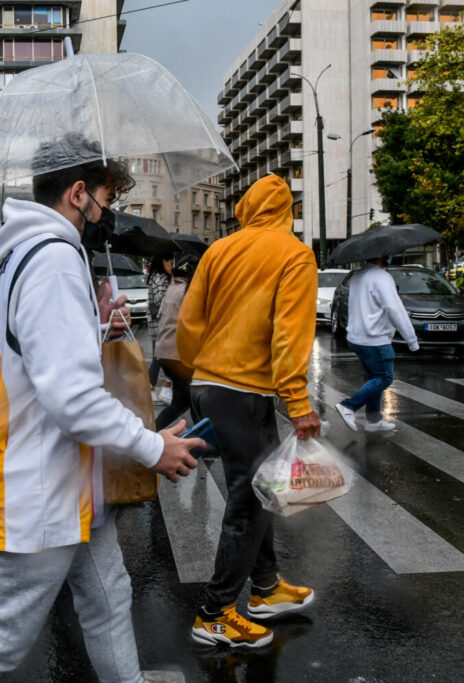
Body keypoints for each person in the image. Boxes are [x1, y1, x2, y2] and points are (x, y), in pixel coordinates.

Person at [0, 140, 202, 683]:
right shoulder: (51, 260)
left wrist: (92, 323)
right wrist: (154, 447)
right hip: (43, 485)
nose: (105, 213)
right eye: (103, 198)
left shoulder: (31, 255)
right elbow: (70, 398)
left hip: (70, 479)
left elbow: (40, 358)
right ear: (77, 194)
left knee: (107, 595)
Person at [177, 174, 320, 648]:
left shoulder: (219, 249)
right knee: (252, 501)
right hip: (244, 390)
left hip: (207, 383)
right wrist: (297, 402)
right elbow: (289, 334)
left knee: (259, 493)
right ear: (287, 211)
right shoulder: (294, 253)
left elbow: (190, 321)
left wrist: (202, 370)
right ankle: (214, 613)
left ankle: (266, 588)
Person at [334, 255, 419, 433]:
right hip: (375, 339)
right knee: (384, 377)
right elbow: (394, 309)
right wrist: (411, 339)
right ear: (382, 257)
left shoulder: (357, 275)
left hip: (357, 337)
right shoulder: (382, 277)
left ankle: (373, 420)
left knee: (374, 378)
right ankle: (348, 406)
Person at [154, 255, 198, 429]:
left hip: (164, 352)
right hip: (177, 354)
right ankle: (152, 432)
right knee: (183, 401)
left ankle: (206, 440)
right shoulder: (188, 291)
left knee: (190, 399)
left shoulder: (173, 288)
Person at [146, 255, 173, 400]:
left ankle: (153, 388)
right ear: (163, 261)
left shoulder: (155, 277)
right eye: (170, 261)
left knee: (159, 356)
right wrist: (172, 287)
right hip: (160, 322)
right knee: (162, 356)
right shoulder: (160, 279)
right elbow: (161, 300)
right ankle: (159, 389)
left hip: (155, 323)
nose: (172, 264)